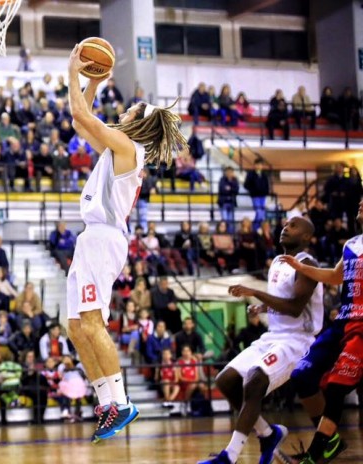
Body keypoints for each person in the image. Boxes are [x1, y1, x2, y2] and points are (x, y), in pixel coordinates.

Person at [65, 44, 187, 443]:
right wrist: (94, 84)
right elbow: (80, 123)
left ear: (138, 123)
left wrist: (73, 72)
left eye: (131, 110)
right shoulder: (118, 150)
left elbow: (82, 116)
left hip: (102, 239)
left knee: (92, 322)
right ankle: (105, 402)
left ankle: (120, 400)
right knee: (75, 327)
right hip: (93, 239)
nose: (124, 112)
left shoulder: (128, 148)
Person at [198, 217, 323, 464]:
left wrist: (255, 292)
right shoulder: (277, 262)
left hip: (297, 342)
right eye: (285, 224)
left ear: (307, 237)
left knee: (254, 381)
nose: (286, 228)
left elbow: (296, 307)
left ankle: (229, 456)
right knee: (226, 380)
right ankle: (268, 434)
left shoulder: (308, 264)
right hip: (273, 337)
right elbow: (282, 299)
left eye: (294, 226)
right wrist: (263, 307)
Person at [277, 200, 363, 463]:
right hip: (343, 322)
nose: (359, 204)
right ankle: (330, 443)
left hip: (361, 327)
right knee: (302, 373)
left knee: (337, 387)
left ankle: (315, 455)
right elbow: (337, 276)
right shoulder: (352, 244)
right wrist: (303, 269)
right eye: (358, 202)